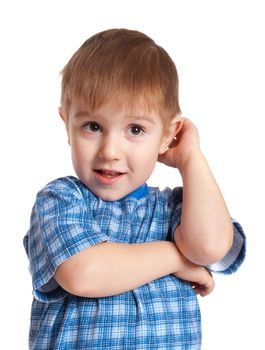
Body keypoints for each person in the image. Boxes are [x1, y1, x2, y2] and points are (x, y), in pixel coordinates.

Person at [23, 28, 246, 349]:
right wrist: (176, 258)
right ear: (67, 126)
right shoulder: (60, 199)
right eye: (93, 126)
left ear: (168, 136)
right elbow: (83, 273)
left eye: (136, 129)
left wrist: (191, 159)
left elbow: (209, 248)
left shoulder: (177, 209)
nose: (110, 150)